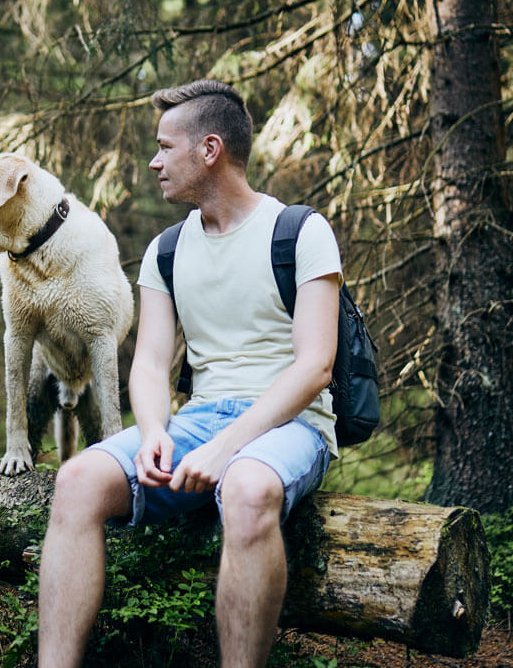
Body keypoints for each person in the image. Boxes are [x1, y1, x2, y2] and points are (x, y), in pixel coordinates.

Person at [36, 79, 343, 668]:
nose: (154, 162)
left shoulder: (301, 232)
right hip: (199, 421)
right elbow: (150, 362)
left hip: (291, 424)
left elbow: (315, 368)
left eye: (164, 146)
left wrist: (229, 448)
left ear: (209, 150)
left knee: (249, 488)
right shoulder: (167, 250)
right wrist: (154, 429)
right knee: (76, 482)